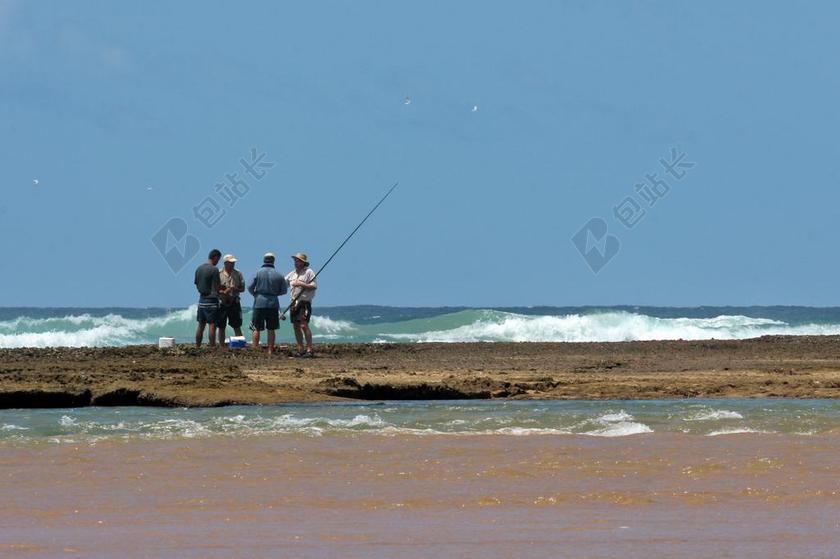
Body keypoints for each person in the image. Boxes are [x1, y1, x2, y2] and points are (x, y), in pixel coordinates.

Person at [248, 252, 287, 355]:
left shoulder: (257, 272)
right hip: (273, 303)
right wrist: (275, 293)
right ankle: (270, 351)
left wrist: (255, 294)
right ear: (273, 261)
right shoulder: (279, 274)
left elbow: (249, 286)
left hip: (259, 302)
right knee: (271, 328)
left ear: (264, 260)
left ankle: (255, 350)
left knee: (256, 327)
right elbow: (284, 291)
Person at [285, 252, 317, 357]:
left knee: (303, 325)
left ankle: (309, 349)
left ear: (303, 262)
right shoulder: (292, 273)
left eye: (298, 260)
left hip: (304, 302)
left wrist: (301, 284)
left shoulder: (309, 272)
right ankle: (301, 349)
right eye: (295, 260)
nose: (296, 262)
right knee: (296, 326)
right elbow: (283, 282)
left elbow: (314, 286)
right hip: (294, 303)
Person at [194, 249, 222, 348]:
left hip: (202, 300)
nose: (218, 262)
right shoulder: (214, 269)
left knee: (201, 325)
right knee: (212, 325)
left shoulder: (199, 269)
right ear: (215, 257)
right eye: (218, 259)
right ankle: (213, 346)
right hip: (212, 300)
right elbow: (217, 286)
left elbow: (196, 284)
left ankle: (197, 346)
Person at [217, 254, 245, 346]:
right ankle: (221, 346)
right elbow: (214, 288)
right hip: (222, 302)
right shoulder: (218, 273)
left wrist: (234, 288)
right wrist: (223, 291)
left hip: (234, 302)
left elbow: (242, 289)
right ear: (225, 263)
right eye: (231, 263)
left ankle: (239, 345)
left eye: (233, 263)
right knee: (221, 326)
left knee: (237, 325)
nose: (233, 264)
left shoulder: (238, 273)